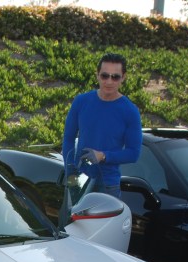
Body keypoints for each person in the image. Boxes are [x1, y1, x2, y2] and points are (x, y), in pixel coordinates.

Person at [61, 53, 143, 200]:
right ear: (97, 75)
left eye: (115, 77)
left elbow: (133, 153)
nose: (109, 81)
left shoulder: (130, 111)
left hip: (108, 184)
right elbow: (68, 139)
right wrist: (70, 170)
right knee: (74, 216)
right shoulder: (81, 102)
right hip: (80, 180)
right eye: (105, 76)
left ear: (123, 77)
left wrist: (103, 156)